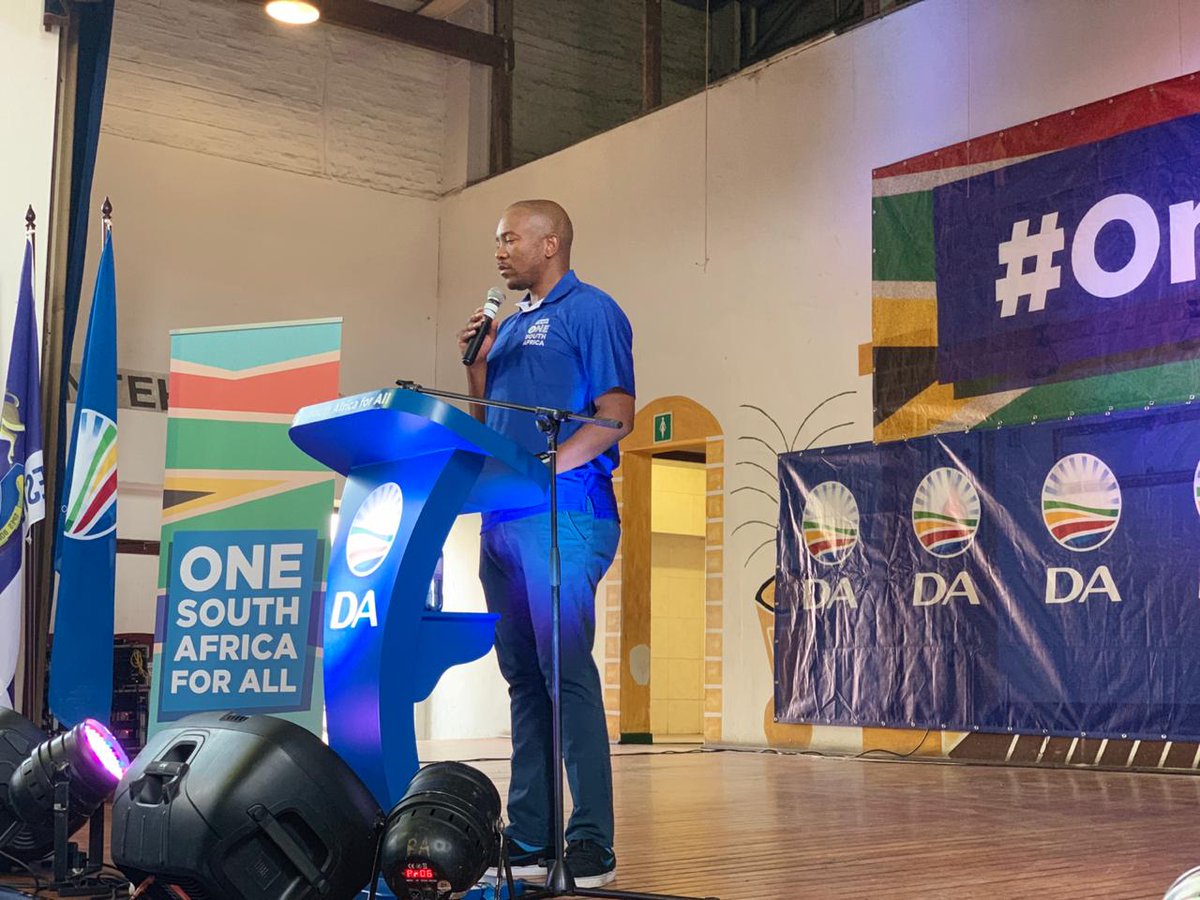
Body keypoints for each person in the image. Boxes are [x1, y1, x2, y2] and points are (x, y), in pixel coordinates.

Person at [457, 200, 634, 888]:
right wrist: (477, 366)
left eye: (510, 239)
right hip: (500, 519)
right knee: (524, 680)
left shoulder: (591, 310)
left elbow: (616, 415)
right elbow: (487, 423)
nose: (500, 251)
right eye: (497, 241)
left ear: (550, 243)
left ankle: (591, 843)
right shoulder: (507, 327)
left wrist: (546, 469)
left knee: (565, 673)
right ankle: (531, 837)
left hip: (565, 512)